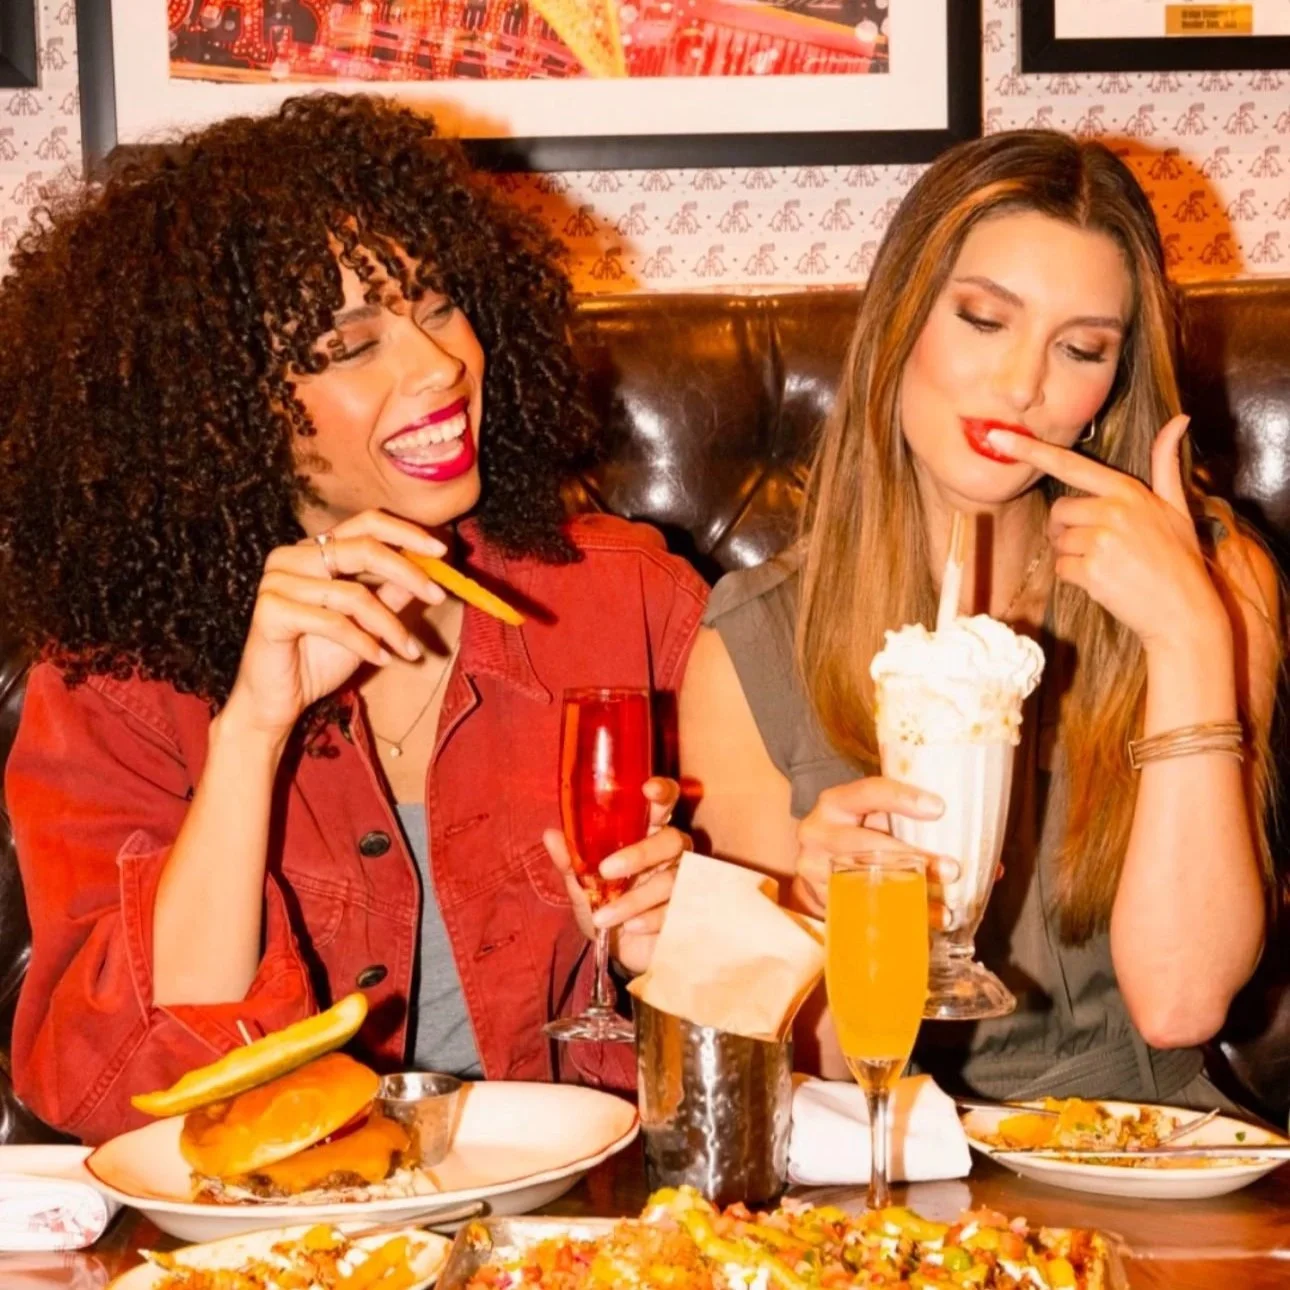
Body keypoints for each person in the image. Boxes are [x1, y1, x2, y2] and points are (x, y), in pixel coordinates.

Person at [0, 94, 705, 1144]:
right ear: (222, 408)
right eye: (350, 344)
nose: (439, 366)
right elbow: (111, 1090)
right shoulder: (118, 675)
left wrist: (701, 935)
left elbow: (798, 1023)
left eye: (436, 305)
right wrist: (251, 732)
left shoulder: (629, 603)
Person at [680, 131, 1282, 1107]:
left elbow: (1181, 1003)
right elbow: (794, 1078)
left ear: (1113, 384)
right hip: (882, 1173)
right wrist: (809, 911)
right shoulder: (752, 638)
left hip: (1143, 1160)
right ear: (902, 319)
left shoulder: (1211, 584)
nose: (1021, 388)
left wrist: (1187, 639)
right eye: (984, 320)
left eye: (1081, 347)